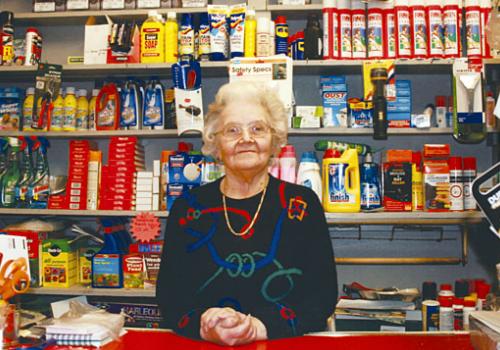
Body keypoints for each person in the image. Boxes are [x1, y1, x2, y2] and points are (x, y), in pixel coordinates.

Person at [157, 81, 338, 346]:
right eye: (232, 130)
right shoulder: (188, 208)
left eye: (257, 128)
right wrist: (205, 326)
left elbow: (322, 297)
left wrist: (258, 327)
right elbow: (170, 298)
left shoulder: (301, 204)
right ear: (215, 143)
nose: (246, 139)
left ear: (274, 139)